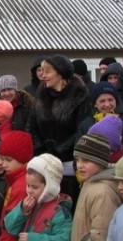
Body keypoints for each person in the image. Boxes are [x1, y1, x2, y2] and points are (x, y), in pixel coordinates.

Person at [26, 54, 90, 205]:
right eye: (42, 71)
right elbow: (31, 125)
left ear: (60, 74)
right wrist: (40, 147)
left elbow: (82, 130)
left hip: (68, 165)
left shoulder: (79, 95)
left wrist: (59, 150)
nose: (43, 76)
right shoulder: (41, 94)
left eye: (47, 72)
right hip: (43, 161)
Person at [76, 81, 123, 152]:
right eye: (102, 101)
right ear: (95, 104)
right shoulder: (85, 125)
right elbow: (79, 153)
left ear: (116, 101)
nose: (107, 104)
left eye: (110, 100)